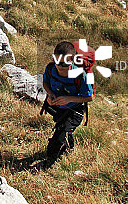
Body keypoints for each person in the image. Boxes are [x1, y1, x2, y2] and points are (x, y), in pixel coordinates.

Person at [39, 41, 94, 169]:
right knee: (63, 130)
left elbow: (90, 97)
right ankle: (69, 148)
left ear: (72, 61)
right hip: (59, 109)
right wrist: (51, 94)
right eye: (57, 62)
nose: (60, 66)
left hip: (75, 110)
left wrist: (69, 99)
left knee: (59, 136)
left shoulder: (81, 76)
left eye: (65, 63)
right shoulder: (50, 68)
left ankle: (50, 161)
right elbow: (45, 82)